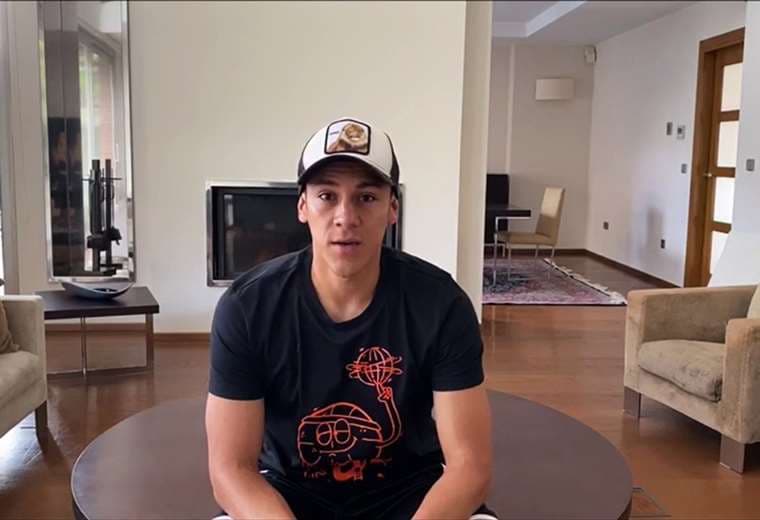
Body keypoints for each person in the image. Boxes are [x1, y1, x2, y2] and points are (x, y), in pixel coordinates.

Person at [206, 117, 495, 519]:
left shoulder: (441, 303)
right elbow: (231, 469)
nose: (345, 216)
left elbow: (469, 466)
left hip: (412, 494)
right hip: (287, 495)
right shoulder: (247, 307)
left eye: (367, 197)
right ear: (303, 206)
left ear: (392, 208)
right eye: (327, 196)